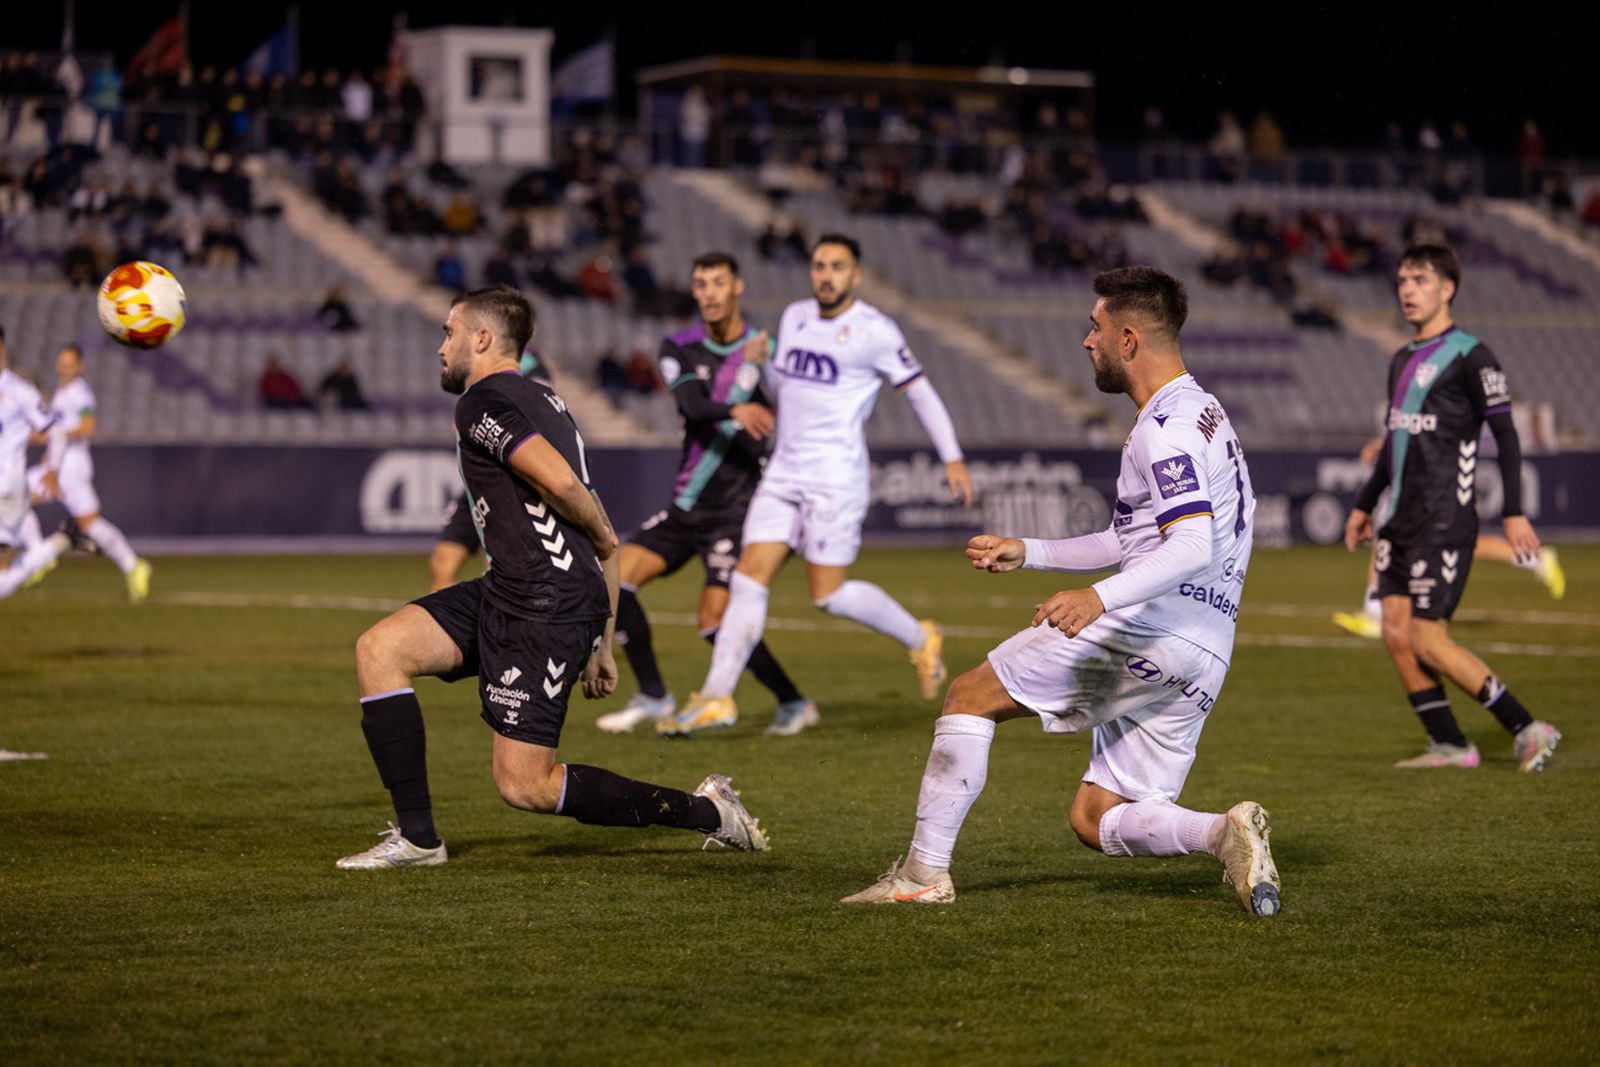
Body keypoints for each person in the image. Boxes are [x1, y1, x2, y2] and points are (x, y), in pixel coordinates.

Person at [841, 267, 1281, 915]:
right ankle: (1224, 832)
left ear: (1128, 339)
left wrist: (1098, 598)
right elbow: (1132, 540)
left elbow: (1191, 545)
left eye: (1096, 327)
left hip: (1149, 628)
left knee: (969, 696)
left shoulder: (1165, 427)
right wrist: (1032, 552)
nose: (1086, 340)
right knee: (1095, 816)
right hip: (1207, 649)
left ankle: (922, 874)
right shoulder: (1204, 412)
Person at [338, 287, 767, 869]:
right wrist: (605, 639)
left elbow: (568, 490)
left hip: (544, 603)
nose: (441, 347)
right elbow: (586, 509)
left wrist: (602, 543)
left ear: (482, 339)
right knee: (380, 650)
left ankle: (709, 811)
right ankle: (418, 841)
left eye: (449, 332)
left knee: (525, 785)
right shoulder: (547, 401)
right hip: (514, 589)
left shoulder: (481, 403)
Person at [663, 235, 973, 736]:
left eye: (837, 267)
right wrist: (760, 364)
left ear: (856, 275)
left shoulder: (875, 330)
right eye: (819, 266)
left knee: (827, 594)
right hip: (783, 472)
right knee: (747, 578)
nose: (826, 275)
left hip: (835, 479)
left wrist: (952, 458)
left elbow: (921, 393)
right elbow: (786, 390)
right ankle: (717, 697)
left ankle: (920, 636)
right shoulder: (795, 317)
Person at [1344, 245, 1561, 771]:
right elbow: (1395, 441)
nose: (1407, 289)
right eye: (1402, 280)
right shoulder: (1401, 359)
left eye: (1419, 279)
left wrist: (1513, 511)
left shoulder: (1472, 356)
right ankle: (1450, 744)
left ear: (1448, 288)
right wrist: (1364, 505)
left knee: (1426, 638)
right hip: (1399, 520)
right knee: (1396, 634)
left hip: (1444, 518)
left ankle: (1527, 727)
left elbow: (1505, 435)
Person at [593, 252, 813, 736]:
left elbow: (797, 410)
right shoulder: (680, 346)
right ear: (694, 292)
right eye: (702, 284)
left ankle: (794, 703)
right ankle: (654, 695)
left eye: (719, 282)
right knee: (613, 581)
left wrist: (762, 378)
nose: (710, 293)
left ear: (738, 287)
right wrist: (739, 402)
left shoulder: (769, 349)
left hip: (738, 509)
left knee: (714, 621)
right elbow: (692, 405)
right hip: (688, 505)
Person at [26, 344, 152, 603]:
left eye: (69, 364)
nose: (64, 368)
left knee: (87, 523)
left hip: (71, 468)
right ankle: (132, 565)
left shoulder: (80, 393)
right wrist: (48, 443)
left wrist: (56, 437)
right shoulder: (62, 392)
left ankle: (40, 555)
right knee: (19, 499)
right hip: (60, 464)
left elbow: (87, 426)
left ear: (80, 366)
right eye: (62, 363)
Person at [427, 349, 549, 592]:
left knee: (498, 566)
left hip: (507, 482)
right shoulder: (479, 363)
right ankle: (455, 616)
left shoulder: (530, 366)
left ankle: (496, 613)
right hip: (476, 480)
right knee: (442, 561)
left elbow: (538, 415)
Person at [0, 326, 73, 598]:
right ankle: (56, 544)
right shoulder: (19, 391)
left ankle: (55, 545)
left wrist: (53, 470)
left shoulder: (19, 391)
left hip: (6, 486)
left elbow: (56, 430)